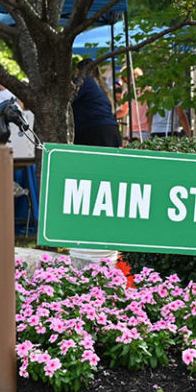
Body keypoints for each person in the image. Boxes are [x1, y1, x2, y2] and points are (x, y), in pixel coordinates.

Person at [70, 58, 121, 265]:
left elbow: (65, 98)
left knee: (94, 178)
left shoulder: (85, 83)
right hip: (107, 132)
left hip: (95, 133)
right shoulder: (98, 86)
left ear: (79, 70)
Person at [71, 59, 122, 147]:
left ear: (78, 71)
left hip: (94, 131)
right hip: (112, 131)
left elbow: (66, 99)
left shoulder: (82, 83)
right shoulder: (101, 87)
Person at [120, 66, 151, 141]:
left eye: (133, 74)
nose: (130, 77)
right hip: (131, 130)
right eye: (127, 75)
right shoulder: (126, 93)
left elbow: (151, 111)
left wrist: (150, 129)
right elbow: (123, 111)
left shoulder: (148, 90)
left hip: (145, 129)